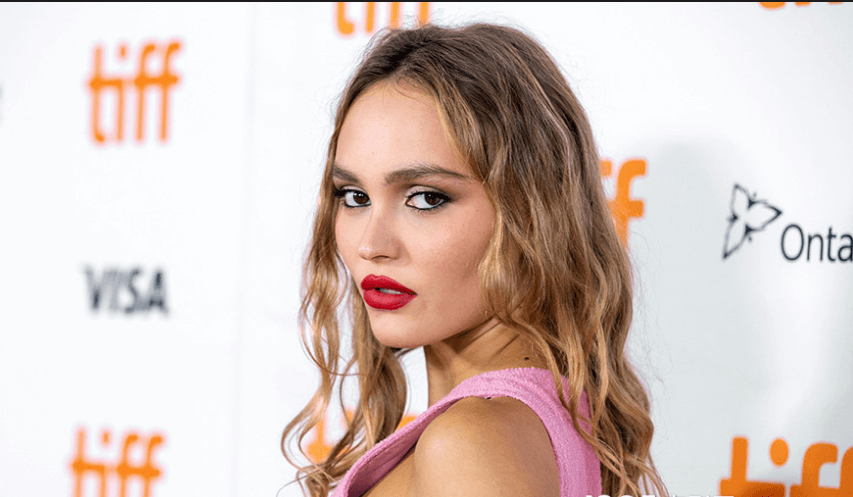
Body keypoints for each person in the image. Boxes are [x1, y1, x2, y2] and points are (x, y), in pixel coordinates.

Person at [282, 22, 666, 497]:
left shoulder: (472, 441)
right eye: (354, 196)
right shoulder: (524, 421)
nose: (371, 244)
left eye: (426, 198)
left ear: (532, 212)